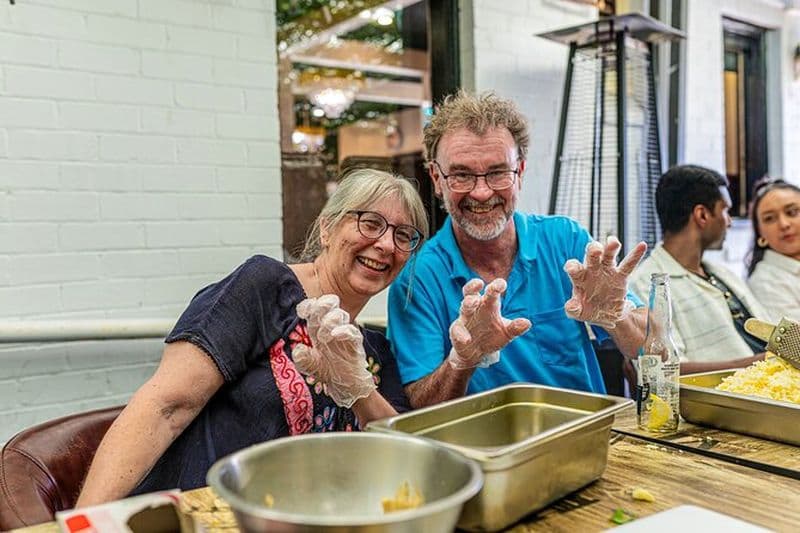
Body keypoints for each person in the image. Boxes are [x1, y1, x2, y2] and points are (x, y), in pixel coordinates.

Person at [77, 169, 455, 505]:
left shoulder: (374, 349)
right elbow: (165, 407)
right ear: (326, 228)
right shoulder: (265, 287)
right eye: (370, 223)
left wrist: (360, 390)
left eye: (404, 235)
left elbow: (407, 452)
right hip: (201, 515)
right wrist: (80, 524)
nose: (387, 244)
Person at [387, 90, 648, 408]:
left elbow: (649, 349)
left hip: (587, 439)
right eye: (461, 175)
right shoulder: (417, 279)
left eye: (497, 172)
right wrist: (462, 361)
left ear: (520, 172)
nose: (481, 193)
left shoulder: (564, 240)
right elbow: (418, 407)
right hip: (486, 455)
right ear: (436, 178)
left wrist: (617, 316)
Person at [630, 165, 769, 374]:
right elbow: (666, 370)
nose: (729, 222)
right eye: (725, 211)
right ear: (702, 215)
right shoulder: (646, 285)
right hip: (730, 400)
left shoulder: (722, 274)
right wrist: (762, 364)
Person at [746, 177, 800, 321]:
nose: (784, 224)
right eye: (769, 219)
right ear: (760, 234)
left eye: (792, 212)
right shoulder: (766, 283)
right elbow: (791, 342)